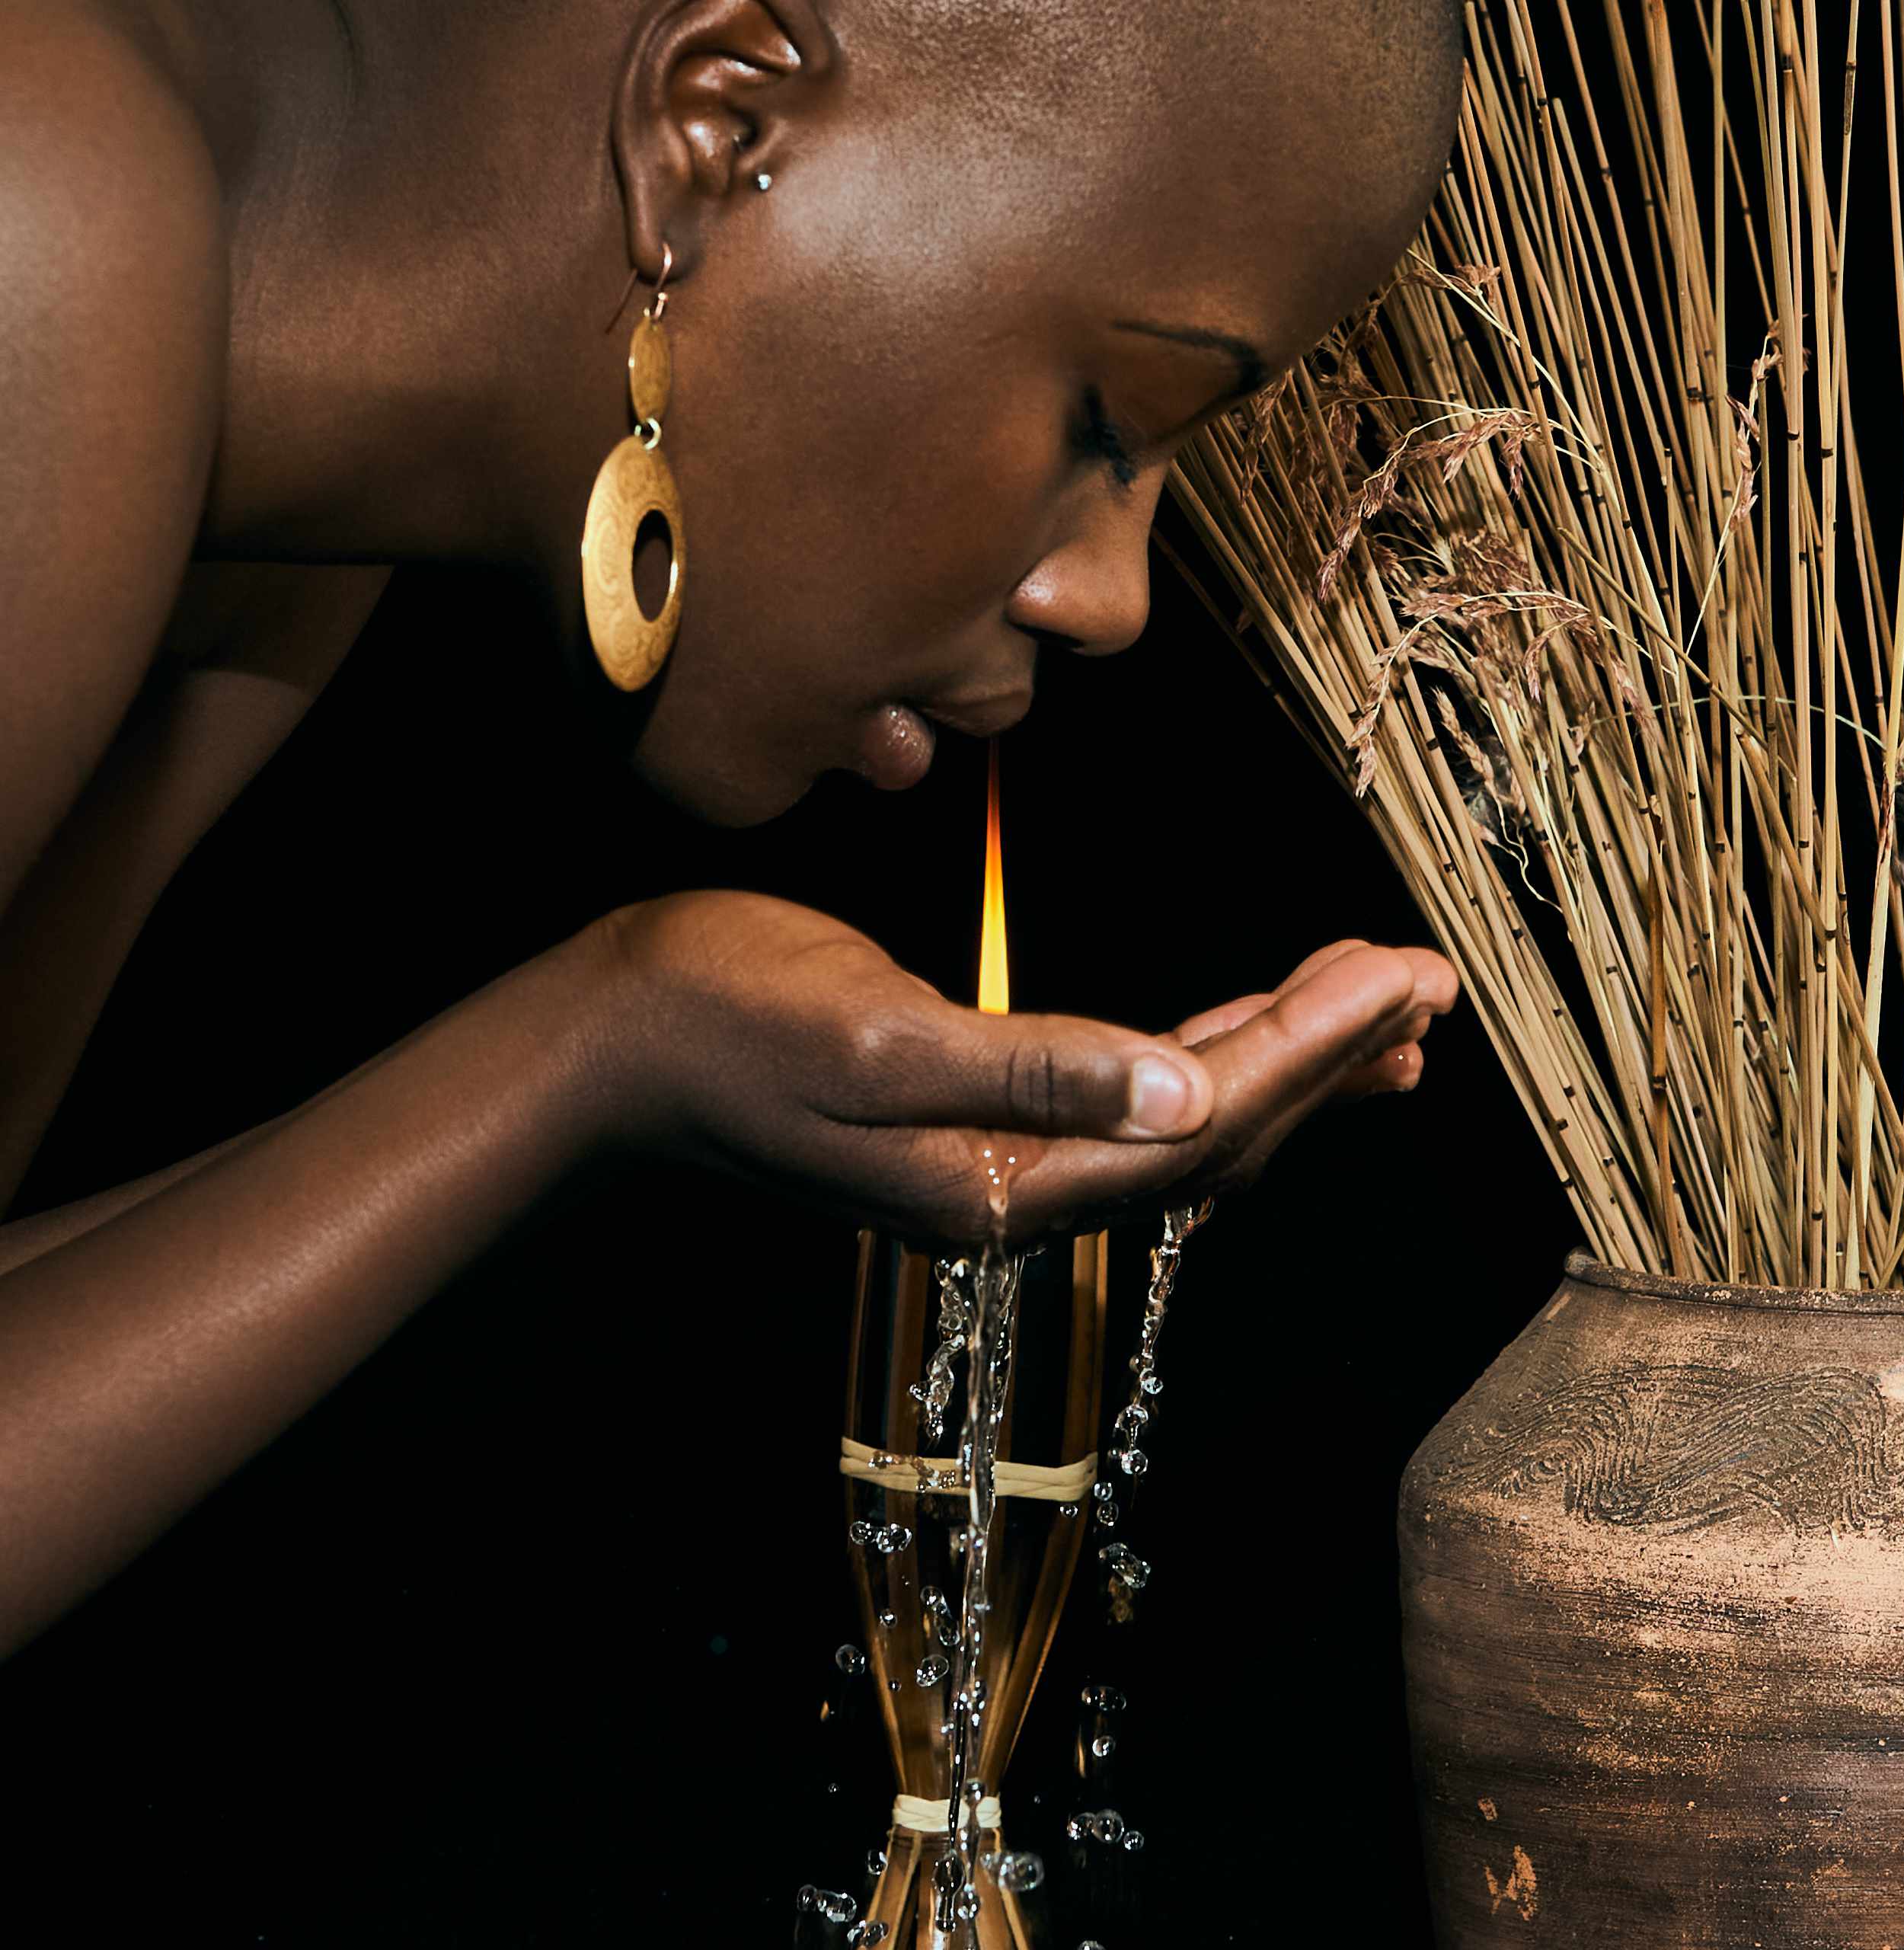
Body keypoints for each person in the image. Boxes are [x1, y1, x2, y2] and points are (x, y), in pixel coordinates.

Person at [0, 0, 1462, 1677]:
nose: (1108, 598)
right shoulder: (43, 217)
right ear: (717, 125)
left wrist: (613, 1036)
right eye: (1108, 422)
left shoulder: (273, 558)